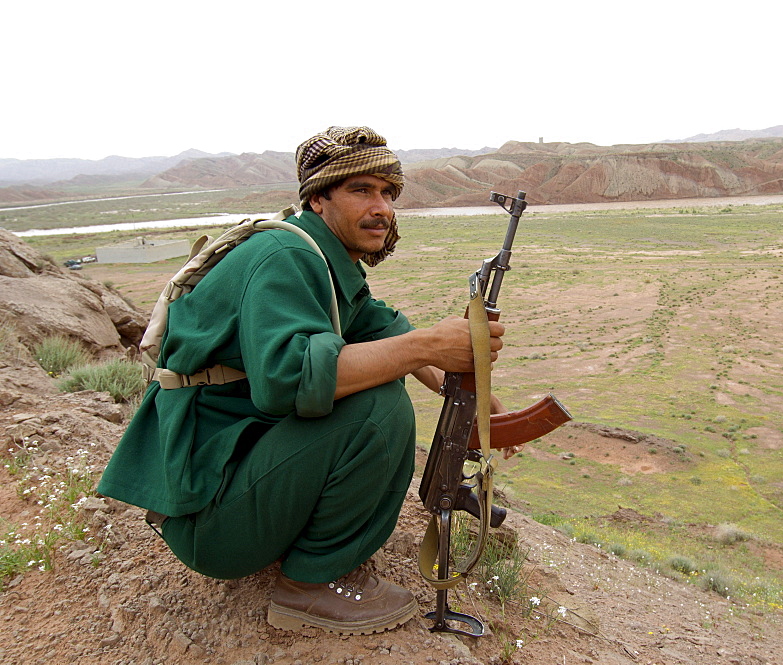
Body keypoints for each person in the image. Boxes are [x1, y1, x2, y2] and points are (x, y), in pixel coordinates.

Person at [97, 126, 510, 636]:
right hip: (208, 525)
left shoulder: (321, 258)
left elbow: (383, 327)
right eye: (361, 191)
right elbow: (288, 381)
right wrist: (427, 347)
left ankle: (300, 549)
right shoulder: (285, 259)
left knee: (380, 376)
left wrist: (477, 397)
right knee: (378, 407)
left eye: (387, 193)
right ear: (318, 198)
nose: (381, 207)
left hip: (221, 488)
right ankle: (311, 585)